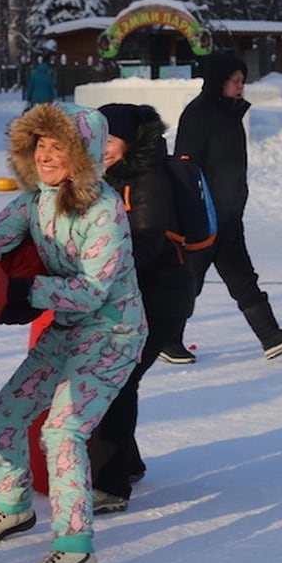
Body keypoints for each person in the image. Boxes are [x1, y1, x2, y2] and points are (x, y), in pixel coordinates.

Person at [0, 103, 145, 563]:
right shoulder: (33, 202)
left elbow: (93, 291)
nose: (46, 155)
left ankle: (75, 551)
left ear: (82, 153)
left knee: (63, 432)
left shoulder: (105, 209)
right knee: (4, 414)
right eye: (40, 144)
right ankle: (14, 505)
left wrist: (24, 292)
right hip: (66, 329)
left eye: (57, 146)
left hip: (113, 334)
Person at [162, 51, 282, 363]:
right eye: (236, 81)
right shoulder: (199, 114)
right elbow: (186, 168)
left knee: (243, 280)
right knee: (189, 283)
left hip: (228, 217)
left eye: (243, 81)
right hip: (203, 219)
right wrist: (193, 213)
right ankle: (167, 339)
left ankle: (269, 335)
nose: (241, 87)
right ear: (219, 81)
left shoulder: (230, 113)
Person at [86, 102, 194, 513]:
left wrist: (97, 263)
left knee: (116, 382)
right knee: (118, 380)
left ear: (130, 142)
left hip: (160, 300)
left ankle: (111, 486)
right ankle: (127, 464)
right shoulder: (111, 177)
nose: (101, 149)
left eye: (109, 141)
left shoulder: (146, 178)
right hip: (135, 299)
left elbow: (147, 244)